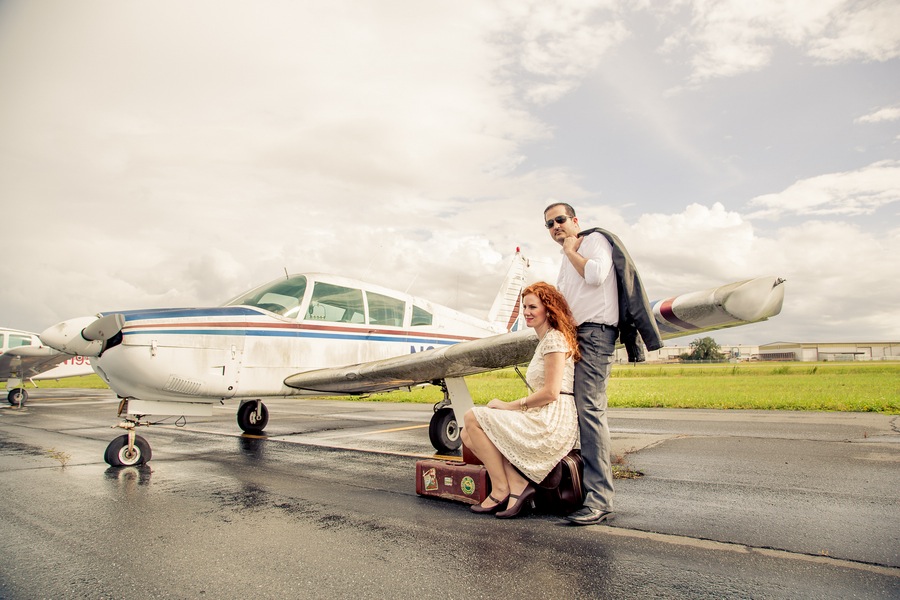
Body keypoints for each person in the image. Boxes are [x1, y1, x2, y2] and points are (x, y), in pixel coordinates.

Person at [543, 202, 662, 526]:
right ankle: (572, 487)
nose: (555, 227)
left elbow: (596, 275)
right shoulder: (567, 260)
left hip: (596, 335)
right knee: (566, 406)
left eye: (560, 220)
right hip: (573, 336)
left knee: (590, 409)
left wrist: (570, 250)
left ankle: (599, 500)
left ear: (575, 220)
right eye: (549, 224)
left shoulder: (594, 242)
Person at [460, 282, 581, 519]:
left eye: (532, 306)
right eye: (524, 306)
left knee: (473, 417)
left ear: (548, 309)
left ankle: (501, 489)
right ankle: (516, 484)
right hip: (542, 414)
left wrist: (509, 406)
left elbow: (551, 392)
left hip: (552, 421)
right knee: (467, 434)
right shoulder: (545, 340)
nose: (526, 312)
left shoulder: (555, 340)